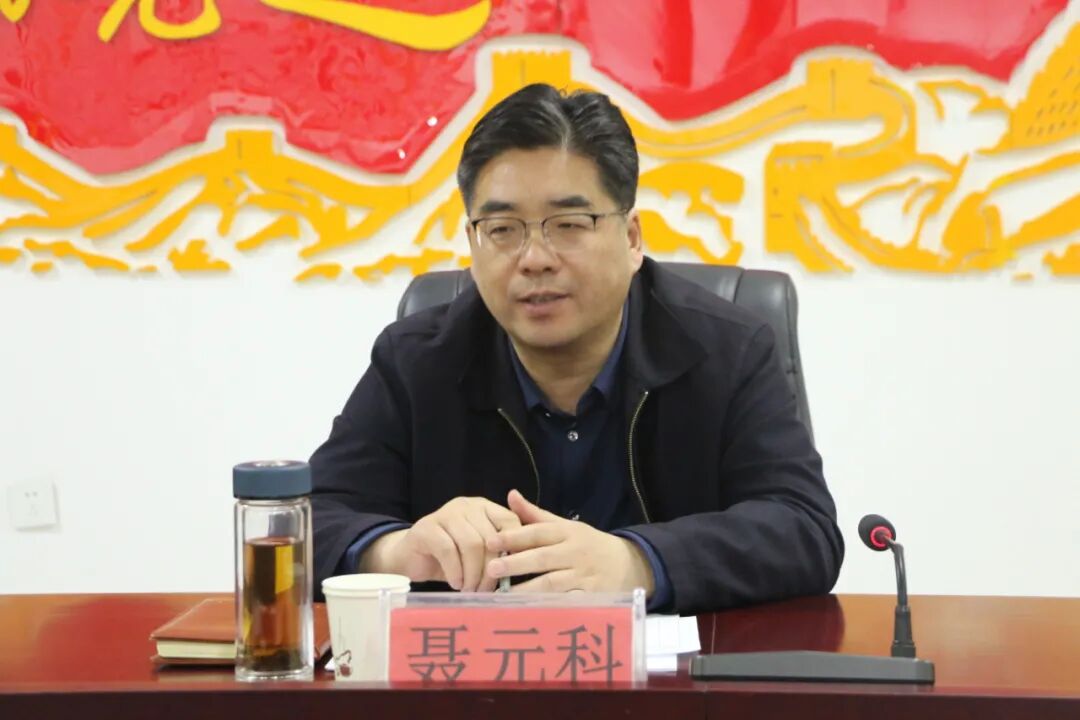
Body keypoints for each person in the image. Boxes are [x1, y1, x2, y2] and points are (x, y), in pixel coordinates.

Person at [310, 83, 843, 614]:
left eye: (568, 225)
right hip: (482, 666)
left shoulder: (728, 349)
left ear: (631, 238)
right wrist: (397, 550)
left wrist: (639, 563)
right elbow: (310, 521)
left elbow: (803, 529)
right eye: (502, 229)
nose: (534, 258)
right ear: (473, 242)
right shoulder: (416, 360)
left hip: (675, 667)